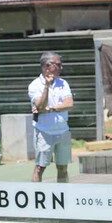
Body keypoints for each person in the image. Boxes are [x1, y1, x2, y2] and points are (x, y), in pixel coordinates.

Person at [27, 52, 73, 183]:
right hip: (44, 132)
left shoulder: (63, 83)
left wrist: (52, 109)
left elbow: (69, 103)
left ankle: (63, 198)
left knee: (63, 168)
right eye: (58, 65)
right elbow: (41, 107)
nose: (61, 68)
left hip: (63, 130)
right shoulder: (34, 86)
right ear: (48, 66)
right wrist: (46, 86)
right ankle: (36, 198)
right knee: (40, 168)